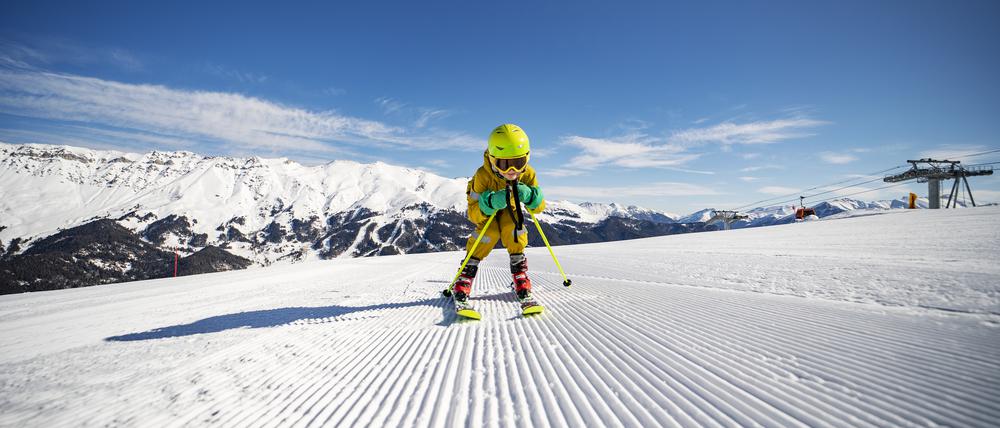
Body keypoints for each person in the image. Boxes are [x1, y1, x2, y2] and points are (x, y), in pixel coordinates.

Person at [451, 123, 546, 303]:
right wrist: (488, 203)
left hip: (511, 212)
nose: (512, 170)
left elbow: (539, 207)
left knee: (514, 229)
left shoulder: (528, 174)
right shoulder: (482, 175)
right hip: (489, 216)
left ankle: (519, 273)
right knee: (488, 234)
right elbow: (473, 213)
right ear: (493, 159)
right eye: (504, 164)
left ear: (527, 158)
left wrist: (531, 196)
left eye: (518, 163)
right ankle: (466, 274)